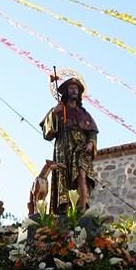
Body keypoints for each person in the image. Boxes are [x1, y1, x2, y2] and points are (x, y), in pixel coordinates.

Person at [40, 74, 99, 214]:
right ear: (66, 91)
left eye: (76, 88)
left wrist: (91, 143)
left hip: (81, 148)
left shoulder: (84, 113)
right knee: (64, 179)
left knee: (81, 175)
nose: (74, 91)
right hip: (64, 147)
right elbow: (46, 133)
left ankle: (82, 209)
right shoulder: (59, 109)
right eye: (71, 88)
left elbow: (92, 132)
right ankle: (66, 211)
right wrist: (55, 113)